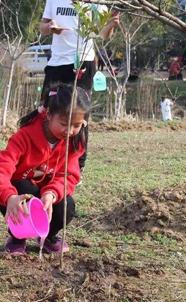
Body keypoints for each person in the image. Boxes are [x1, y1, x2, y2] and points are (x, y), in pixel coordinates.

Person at [0, 84, 90, 255]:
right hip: (21, 194)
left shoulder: (73, 143)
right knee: (26, 189)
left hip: (45, 197)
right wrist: (9, 196)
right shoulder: (24, 137)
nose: (70, 131)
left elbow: (68, 175)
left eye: (77, 125)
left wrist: (51, 194)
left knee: (67, 205)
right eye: (64, 124)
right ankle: (18, 236)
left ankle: (48, 236)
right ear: (49, 115)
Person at [39, 0, 120, 173]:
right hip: (56, 64)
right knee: (46, 110)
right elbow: (42, 27)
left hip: (83, 61)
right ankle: (44, 160)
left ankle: (76, 166)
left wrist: (111, 25)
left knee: (79, 115)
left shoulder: (97, 3)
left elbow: (102, 35)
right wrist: (50, 27)